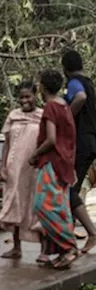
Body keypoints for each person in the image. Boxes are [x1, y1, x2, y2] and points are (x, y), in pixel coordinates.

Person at [29, 70, 80, 270]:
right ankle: (62, 251)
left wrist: (35, 154)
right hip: (64, 162)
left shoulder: (50, 107)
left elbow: (51, 139)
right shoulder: (64, 106)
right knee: (61, 207)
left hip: (51, 162)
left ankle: (69, 246)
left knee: (43, 205)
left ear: (42, 86)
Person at [61, 50, 96, 254]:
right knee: (73, 189)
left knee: (68, 189)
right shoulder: (88, 81)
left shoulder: (74, 83)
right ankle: (67, 236)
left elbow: (79, 97)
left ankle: (93, 233)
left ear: (65, 69)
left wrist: (65, 118)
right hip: (92, 141)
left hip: (82, 143)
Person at [1, 81, 42, 259]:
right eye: (22, 97)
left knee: (35, 205)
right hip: (14, 169)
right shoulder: (13, 116)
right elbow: (7, 143)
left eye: (28, 96)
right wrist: (2, 166)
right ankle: (16, 247)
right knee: (15, 204)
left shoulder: (43, 115)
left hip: (34, 169)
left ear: (35, 96)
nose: (25, 100)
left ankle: (44, 251)